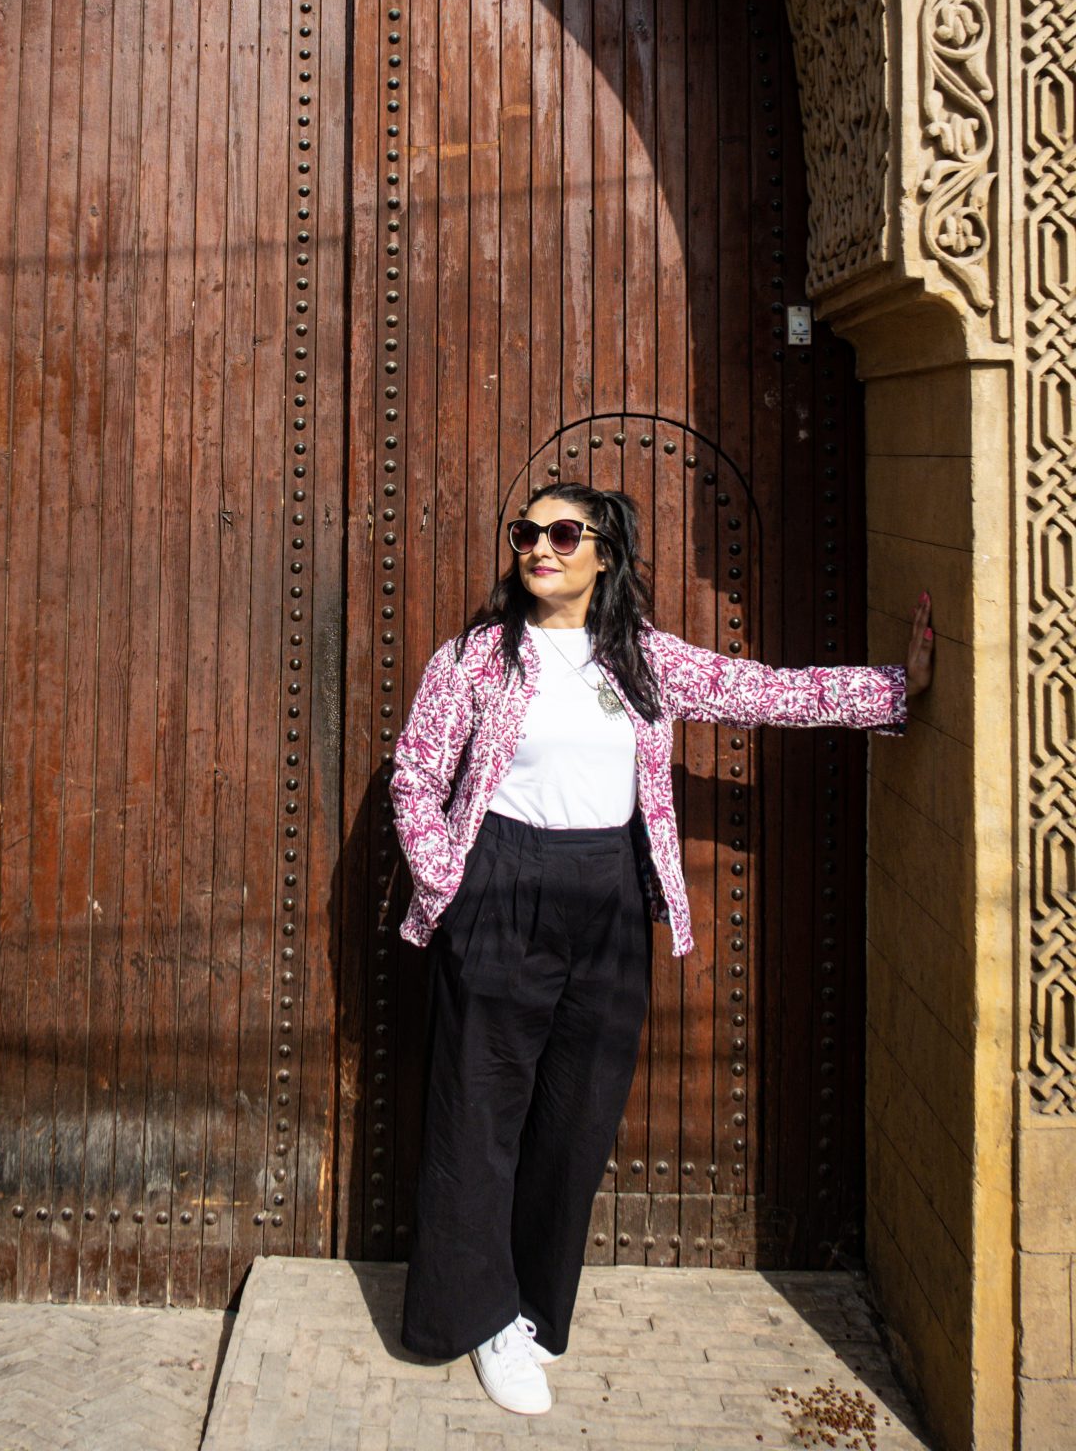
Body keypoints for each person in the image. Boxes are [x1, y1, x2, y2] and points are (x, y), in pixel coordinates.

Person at [390, 482, 934, 1416]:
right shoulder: (477, 658)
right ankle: (474, 1318)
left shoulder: (641, 660)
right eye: (528, 532)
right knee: (479, 1114)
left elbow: (756, 690)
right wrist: (453, 881)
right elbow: (416, 772)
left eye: (566, 533)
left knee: (577, 1114)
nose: (541, 547)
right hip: (503, 886)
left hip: (607, 893)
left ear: (606, 554)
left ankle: (528, 1307)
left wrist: (896, 687)